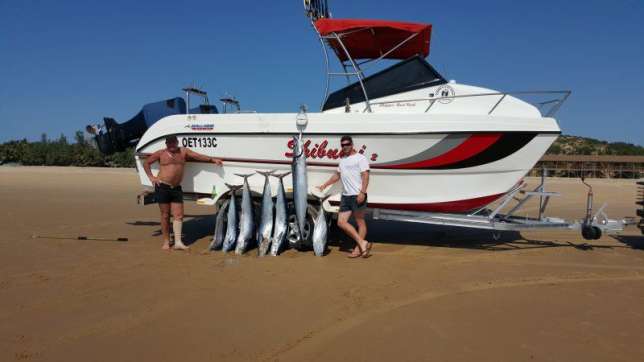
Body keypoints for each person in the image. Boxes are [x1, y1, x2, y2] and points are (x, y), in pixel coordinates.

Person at [143, 135, 223, 250]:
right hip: (162, 187)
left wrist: (212, 159)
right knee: (165, 215)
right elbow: (146, 163)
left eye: (173, 142)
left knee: (179, 215)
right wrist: (151, 177)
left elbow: (198, 156)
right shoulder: (161, 153)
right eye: (169, 143)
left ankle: (178, 242)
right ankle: (166, 241)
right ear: (166, 144)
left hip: (176, 188)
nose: (171, 145)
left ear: (177, 142)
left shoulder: (183, 151)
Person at [317, 135, 372, 258]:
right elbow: (337, 176)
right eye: (343, 145)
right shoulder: (342, 160)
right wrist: (324, 185)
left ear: (352, 144)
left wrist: (362, 192)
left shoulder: (360, 158)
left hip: (357, 195)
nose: (345, 146)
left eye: (347, 144)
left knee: (360, 223)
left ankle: (359, 249)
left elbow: (366, 175)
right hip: (346, 196)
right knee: (341, 222)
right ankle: (363, 243)